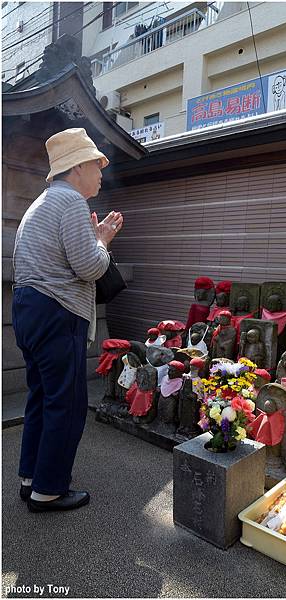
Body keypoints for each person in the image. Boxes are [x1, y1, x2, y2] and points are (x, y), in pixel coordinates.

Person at [12, 127, 123, 512]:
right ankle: (49, 490)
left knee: (42, 397)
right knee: (68, 403)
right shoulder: (70, 201)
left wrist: (92, 237)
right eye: (97, 164)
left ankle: (32, 477)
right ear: (77, 167)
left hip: (28, 309)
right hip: (57, 310)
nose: (100, 173)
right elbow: (90, 265)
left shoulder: (43, 202)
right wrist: (103, 240)